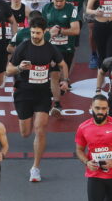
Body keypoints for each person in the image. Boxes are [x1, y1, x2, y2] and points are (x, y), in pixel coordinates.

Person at [8, 17, 69, 182]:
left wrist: (65, 80)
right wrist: (19, 68)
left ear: (44, 32)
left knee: (40, 129)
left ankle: (35, 168)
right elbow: (8, 70)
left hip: (42, 93)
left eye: (38, 33)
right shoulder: (23, 47)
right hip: (23, 93)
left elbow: (63, 64)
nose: (35, 36)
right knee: (25, 133)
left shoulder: (50, 49)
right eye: (33, 32)